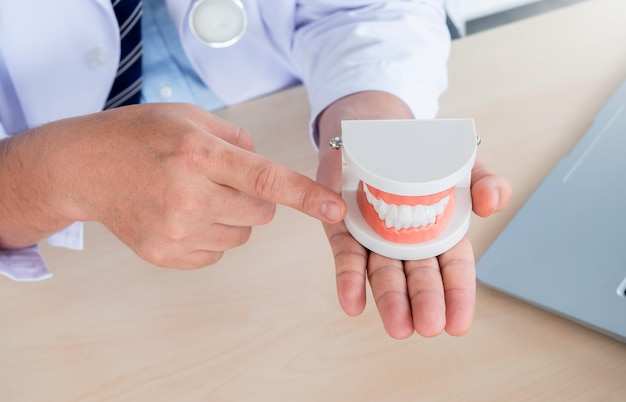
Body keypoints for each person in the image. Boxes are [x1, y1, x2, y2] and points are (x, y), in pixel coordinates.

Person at [0, 0, 511, 339]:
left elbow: (367, 9)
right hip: (68, 289)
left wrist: (369, 111)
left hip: (292, 121)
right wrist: (56, 174)